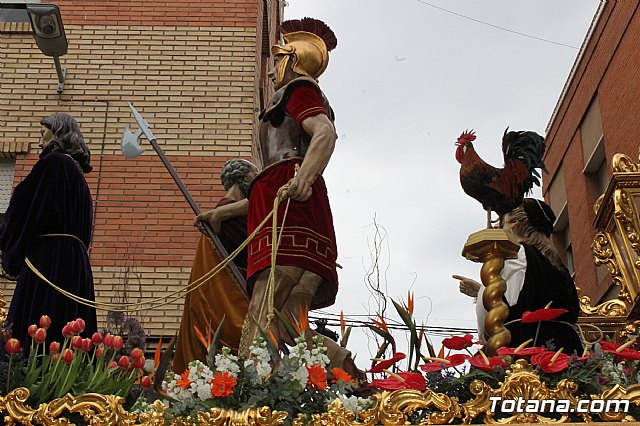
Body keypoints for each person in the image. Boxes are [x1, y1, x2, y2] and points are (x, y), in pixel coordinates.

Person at [205, 18, 362, 378]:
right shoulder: (287, 102)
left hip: (292, 216)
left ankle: (246, 390)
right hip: (288, 209)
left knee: (262, 307)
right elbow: (271, 195)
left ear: (291, 60)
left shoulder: (299, 91)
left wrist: (304, 178)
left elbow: (325, 133)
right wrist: (222, 215)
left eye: (279, 58)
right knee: (293, 326)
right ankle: (347, 375)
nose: (274, 66)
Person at [0, 113, 96, 349]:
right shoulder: (78, 177)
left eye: (43, 131)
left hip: (49, 261)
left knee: (37, 331)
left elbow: (28, 210)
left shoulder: (54, 163)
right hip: (74, 266)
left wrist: (10, 251)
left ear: (59, 132)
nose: (40, 139)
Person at [454, 198, 583, 354]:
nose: (497, 229)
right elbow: (527, 292)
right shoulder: (559, 267)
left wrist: (482, 294)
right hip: (567, 353)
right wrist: (480, 291)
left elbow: (487, 323)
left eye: (500, 224)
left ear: (513, 222)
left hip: (524, 353)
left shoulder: (514, 255)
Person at [173, 159, 258, 372]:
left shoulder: (223, 212)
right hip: (236, 295)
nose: (258, 182)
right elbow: (263, 201)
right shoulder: (228, 208)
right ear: (241, 179)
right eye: (254, 176)